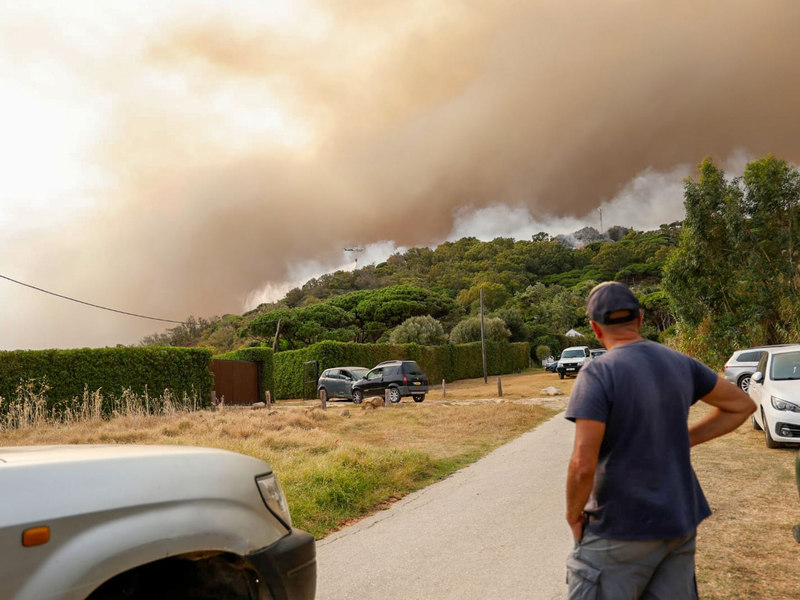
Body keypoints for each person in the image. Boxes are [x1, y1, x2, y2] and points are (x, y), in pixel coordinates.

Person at [565, 282, 755, 599]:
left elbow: (583, 465)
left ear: (595, 329)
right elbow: (742, 405)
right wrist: (683, 439)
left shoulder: (598, 373)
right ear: (639, 319)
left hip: (620, 526)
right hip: (679, 522)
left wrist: (573, 515)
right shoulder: (681, 362)